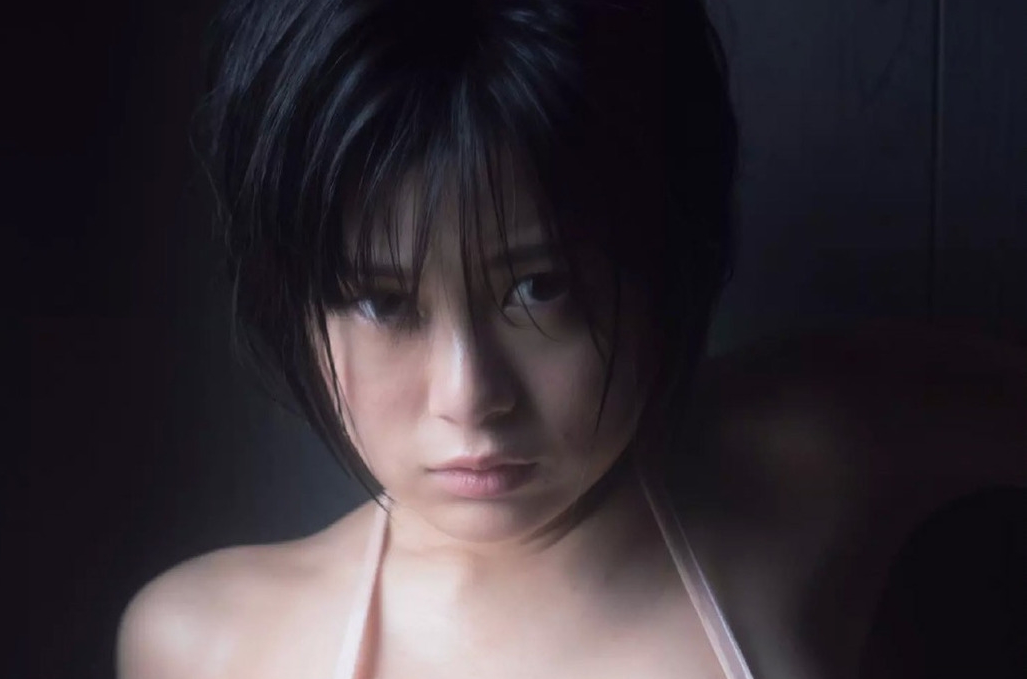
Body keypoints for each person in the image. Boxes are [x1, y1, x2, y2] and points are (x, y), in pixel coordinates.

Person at [116, 0, 1027, 677]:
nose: (471, 398)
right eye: (382, 303)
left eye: (537, 286)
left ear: (659, 255)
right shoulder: (206, 641)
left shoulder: (811, 452)